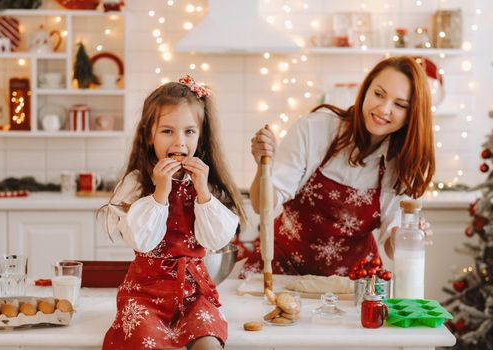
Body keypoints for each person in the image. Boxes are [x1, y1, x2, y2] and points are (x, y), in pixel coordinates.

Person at [241, 56, 435, 277]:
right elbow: (261, 205)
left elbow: (391, 248)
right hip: (282, 271)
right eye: (378, 94)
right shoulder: (315, 129)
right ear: (366, 90)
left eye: (400, 105)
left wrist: (408, 236)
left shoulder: (401, 163)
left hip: (353, 283)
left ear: (412, 115)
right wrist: (262, 168)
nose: (383, 108)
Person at [102, 75, 245, 350]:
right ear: (149, 136)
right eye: (167, 131)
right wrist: (159, 193)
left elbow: (217, 241)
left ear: (200, 138)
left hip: (194, 294)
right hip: (145, 293)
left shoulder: (207, 184)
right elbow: (141, 240)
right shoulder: (136, 182)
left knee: (209, 344)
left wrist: (203, 193)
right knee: (144, 341)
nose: (179, 141)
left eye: (189, 131)